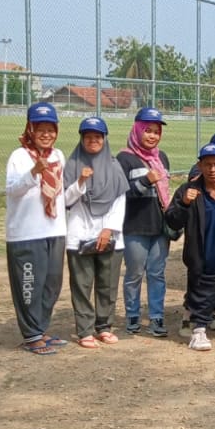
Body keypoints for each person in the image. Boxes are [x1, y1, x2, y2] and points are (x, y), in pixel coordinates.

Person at [6, 102, 75, 354]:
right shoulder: (19, 156)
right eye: (41, 129)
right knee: (30, 285)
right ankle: (31, 335)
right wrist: (33, 172)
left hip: (54, 229)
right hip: (27, 233)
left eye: (51, 129)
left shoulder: (58, 156)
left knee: (52, 284)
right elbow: (12, 190)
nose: (46, 134)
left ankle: (41, 328)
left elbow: (62, 195)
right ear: (30, 129)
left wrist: (80, 184)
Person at [166, 144, 215, 351]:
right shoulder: (188, 190)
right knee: (201, 292)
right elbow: (172, 221)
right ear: (199, 165)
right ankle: (198, 331)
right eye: (207, 164)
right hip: (202, 255)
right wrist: (183, 203)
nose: (212, 169)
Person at [64, 117, 129, 349]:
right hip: (79, 233)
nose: (93, 140)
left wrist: (108, 229)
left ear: (104, 139)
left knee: (107, 284)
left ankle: (104, 327)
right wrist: (80, 181)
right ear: (82, 139)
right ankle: (84, 330)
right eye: (88, 136)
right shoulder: (72, 164)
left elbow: (120, 200)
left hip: (110, 234)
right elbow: (66, 201)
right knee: (81, 285)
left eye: (97, 136)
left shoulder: (114, 166)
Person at [118, 106, 172, 338]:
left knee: (157, 274)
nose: (152, 136)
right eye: (147, 130)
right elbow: (120, 193)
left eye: (156, 131)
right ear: (137, 130)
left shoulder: (161, 157)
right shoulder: (125, 158)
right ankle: (132, 315)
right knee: (134, 274)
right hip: (135, 226)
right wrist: (145, 182)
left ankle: (157, 317)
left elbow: (165, 193)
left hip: (159, 226)